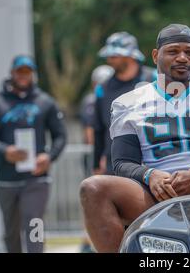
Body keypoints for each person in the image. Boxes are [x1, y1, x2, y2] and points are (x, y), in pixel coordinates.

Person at [80, 24, 190, 252]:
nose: (183, 58)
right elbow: (122, 162)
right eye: (174, 51)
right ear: (156, 56)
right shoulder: (128, 102)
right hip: (156, 190)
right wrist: (150, 175)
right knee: (92, 187)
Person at [0, 55, 67, 253]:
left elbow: (60, 135)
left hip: (36, 178)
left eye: (27, 72)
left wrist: (49, 156)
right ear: (12, 73)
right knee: (11, 232)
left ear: (33, 74)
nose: (23, 76)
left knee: (34, 223)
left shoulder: (45, 101)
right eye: (20, 71)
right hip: (5, 179)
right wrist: (5, 151)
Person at [93, 32, 156, 175]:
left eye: (115, 56)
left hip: (153, 159)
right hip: (116, 162)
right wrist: (96, 163)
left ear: (131, 56)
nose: (109, 60)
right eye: (109, 56)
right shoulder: (102, 88)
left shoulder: (154, 79)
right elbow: (99, 128)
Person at [78, 64, 114, 253]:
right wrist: (99, 156)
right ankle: (89, 241)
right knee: (94, 198)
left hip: (109, 154)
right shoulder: (92, 101)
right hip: (100, 155)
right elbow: (91, 131)